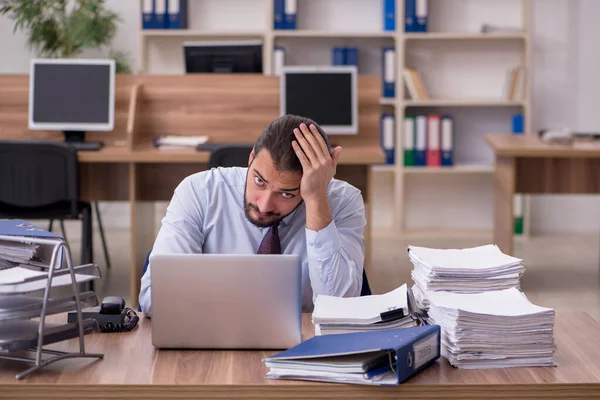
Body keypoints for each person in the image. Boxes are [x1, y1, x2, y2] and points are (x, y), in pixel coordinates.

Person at [138, 114, 366, 317]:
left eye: (286, 194)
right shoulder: (200, 192)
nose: (264, 205)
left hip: (303, 349)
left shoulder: (342, 202)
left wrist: (317, 200)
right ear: (251, 158)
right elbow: (154, 299)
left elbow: (341, 308)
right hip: (212, 342)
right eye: (259, 181)